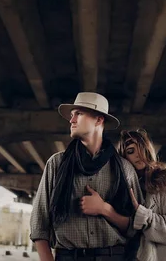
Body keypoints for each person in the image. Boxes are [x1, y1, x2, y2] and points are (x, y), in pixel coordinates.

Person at [30, 92, 144, 261]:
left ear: (99, 120)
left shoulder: (124, 168)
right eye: (71, 115)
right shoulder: (56, 164)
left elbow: (137, 226)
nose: (71, 120)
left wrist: (105, 209)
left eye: (79, 113)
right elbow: (39, 223)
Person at [80, 129, 166, 261]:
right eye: (131, 151)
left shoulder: (163, 180)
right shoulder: (124, 186)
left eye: (141, 148)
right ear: (124, 156)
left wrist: (142, 214)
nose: (137, 155)